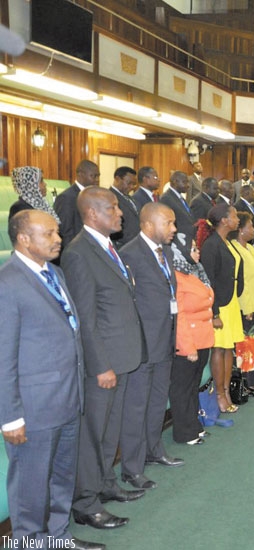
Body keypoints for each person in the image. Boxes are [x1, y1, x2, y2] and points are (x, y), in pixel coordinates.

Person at [0, 211, 104, 550]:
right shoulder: (7, 283)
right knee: (30, 489)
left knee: (62, 480)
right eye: (48, 233)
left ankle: (58, 538)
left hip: (67, 400)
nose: (58, 238)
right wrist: (10, 416)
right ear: (24, 239)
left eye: (57, 232)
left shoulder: (54, 273)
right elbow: (3, 358)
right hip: (33, 409)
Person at [64, 187, 146, 531]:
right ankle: (86, 503)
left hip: (124, 356)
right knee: (93, 435)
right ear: (93, 214)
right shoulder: (79, 253)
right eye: (113, 208)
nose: (121, 213)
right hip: (104, 364)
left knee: (110, 430)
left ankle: (107, 485)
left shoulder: (108, 247)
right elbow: (85, 318)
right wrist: (100, 366)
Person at [118, 203, 183, 490]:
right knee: (136, 407)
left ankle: (154, 451)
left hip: (164, 340)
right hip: (142, 346)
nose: (174, 229)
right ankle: (132, 468)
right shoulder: (129, 254)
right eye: (168, 223)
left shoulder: (164, 251)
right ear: (148, 224)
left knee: (157, 402)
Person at [197, 203, 244, 414]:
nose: (238, 219)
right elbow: (208, 281)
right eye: (234, 216)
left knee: (228, 349)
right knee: (219, 349)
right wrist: (214, 312)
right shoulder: (211, 245)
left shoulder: (227, 242)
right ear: (224, 220)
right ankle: (219, 395)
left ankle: (226, 391)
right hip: (219, 305)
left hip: (231, 301)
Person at [169, 235, 214, 446]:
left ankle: (194, 424)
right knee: (183, 388)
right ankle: (184, 432)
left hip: (202, 338)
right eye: (193, 249)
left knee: (194, 384)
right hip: (189, 343)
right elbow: (179, 316)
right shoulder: (176, 278)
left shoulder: (192, 273)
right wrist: (188, 346)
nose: (198, 252)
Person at [232, 212, 254, 387]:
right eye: (250, 226)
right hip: (245, 306)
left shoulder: (250, 247)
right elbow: (240, 281)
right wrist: (246, 308)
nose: (253, 229)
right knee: (245, 345)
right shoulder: (234, 249)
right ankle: (243, 384)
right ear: (240, 230)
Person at [54, 160, 100, 250]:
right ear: (80, 174)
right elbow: (65, 231)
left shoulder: (94, 195)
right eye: (93, 176)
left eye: (98, 176)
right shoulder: (66, 197)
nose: (97, 180)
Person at [161, 170, 196, 248]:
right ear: (175, 182)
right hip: (178, 243)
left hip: (188, 241)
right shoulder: (166, 198)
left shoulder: (181, 197)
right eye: (185, 182)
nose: (188, 185)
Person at [109, 167, 140, 249]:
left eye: (134, 184)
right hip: (123, 247)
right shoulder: (110, 197)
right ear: (117, 179)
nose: (132, 187)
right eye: (129, 183)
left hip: (136, 245)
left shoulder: (131, 198)